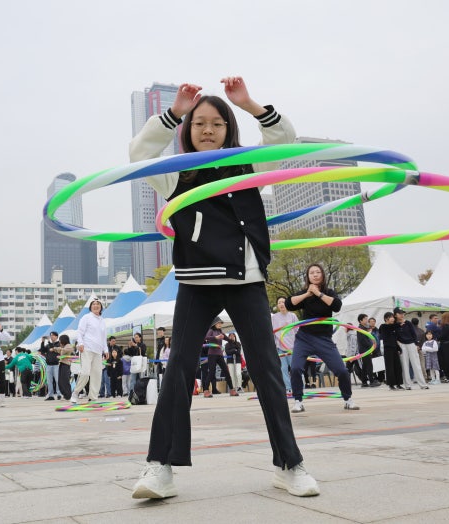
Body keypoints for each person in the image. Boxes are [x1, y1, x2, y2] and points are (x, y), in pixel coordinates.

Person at [130, 78, 318, 499]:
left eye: (217, 123)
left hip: (245, 278)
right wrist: (173, 112)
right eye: (199, 123)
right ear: (187, 130)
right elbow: (139, 153)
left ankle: (290, 464)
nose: (208, 130)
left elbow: (285, 139)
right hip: (197, 281)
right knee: (177, 368)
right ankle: (159, 467)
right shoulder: (175, 173)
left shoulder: (249, 166)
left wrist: (249, 103)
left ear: (229, 130)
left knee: (268, 370)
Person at [286, 264, 358, 413]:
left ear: (323, 275)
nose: (315, 274)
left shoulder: (328, 292)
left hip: (324, 339)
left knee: (342, 371)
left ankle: (348, 399)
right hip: (304, 338)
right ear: (308, 276)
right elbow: (289, 304)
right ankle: (298, 401)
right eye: (311, 272)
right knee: (295, 368)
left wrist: (318, 293)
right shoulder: (304, 293)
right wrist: (308, 293)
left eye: (318, 272)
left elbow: (337, 306)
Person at [70, 298, 106, 404]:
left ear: (101, 307)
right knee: (85, 372)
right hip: (87, 349)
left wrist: (106, 349)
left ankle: (93, 397)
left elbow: (103, 337)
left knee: (97, 374)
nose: (96, 305)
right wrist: (80, 343)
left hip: (98, 351)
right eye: (93, 304)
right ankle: (75, 393)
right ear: (90, 307)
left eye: (98, 304)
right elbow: (80, 332)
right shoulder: (86, 317)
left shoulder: (102, 320)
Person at [393, 307, 429, 390]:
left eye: (403, 313)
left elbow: (413, 334)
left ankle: (423, 384)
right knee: (404, 365)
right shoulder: (394, 325)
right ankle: (408, 385)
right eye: (400, 313)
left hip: (411, 344)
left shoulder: (408, 323)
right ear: (395, 315)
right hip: (402, 345)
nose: (402, 315)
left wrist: (416, 344)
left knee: (416, 364)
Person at [202, 317, 237, 397]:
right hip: (212, 354)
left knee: (226, 371)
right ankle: (206, 390)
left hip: (220, 354)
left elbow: (227, 339)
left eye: (221, 323)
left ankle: (232, 390)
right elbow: (206, 338)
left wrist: (232, 340)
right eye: (219, 323)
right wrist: (215, 338)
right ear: (214, 324)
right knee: (211, 372)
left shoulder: (220, 331)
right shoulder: (211, 331)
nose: (220, 324)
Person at [271, 297, 297, 393]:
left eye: (283, 302)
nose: (281, 304)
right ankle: (288, 388)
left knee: (295, 368)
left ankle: (298, 387)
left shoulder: (292, 316)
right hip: (280, 347)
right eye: (279, 302)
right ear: (277, 305)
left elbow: (297, 330)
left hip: (292, 347)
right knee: (283, 369)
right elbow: (272, 333)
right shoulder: (274, 317)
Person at [379, 312, 403, 390]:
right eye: (391, 317)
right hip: (387, 349)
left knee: (398, 366)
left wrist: (399, 348)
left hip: (394, 348)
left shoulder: (393, 327)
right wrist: (399, 324)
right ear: (386, 319)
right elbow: (390, 328)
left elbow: (395, 339)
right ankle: (391, 384)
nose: (393, 318)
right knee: (390, 367)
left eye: (393, 317)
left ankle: (399, 384)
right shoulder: (383, 326)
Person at [356, 314, 381, 388]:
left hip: (366, 349)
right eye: (365, 319)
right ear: (361, 320)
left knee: (365, 366)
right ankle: (371, 381)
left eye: (367, 318)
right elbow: (363, 340)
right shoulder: (361, 329)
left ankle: (364, 382)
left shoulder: (364, 328)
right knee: (369, 365)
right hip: (365, 349)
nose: (367, 320)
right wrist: (371, 347)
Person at [41, 332, 61, 400]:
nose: (51, 337)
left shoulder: (59, 344)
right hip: (48, 365)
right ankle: (51, 395)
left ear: (56, 336)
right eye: (50, 335)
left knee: (58, 380)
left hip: (56, 365)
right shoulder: (48, 345)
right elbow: (42, 351)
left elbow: (54, 349)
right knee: (49, 381)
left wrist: (49, 341)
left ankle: (59, 394)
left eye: (52, 335)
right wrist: (42, 342)